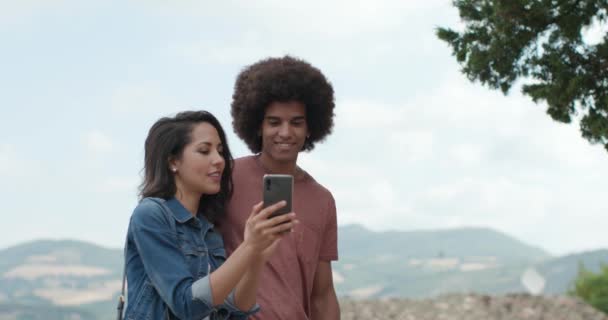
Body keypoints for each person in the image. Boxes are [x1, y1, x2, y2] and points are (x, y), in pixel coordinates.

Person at [123, 110, 298, 320]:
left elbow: (237, 310)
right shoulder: (151, 215)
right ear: (173, 162)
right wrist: (249, 246)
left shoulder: (208, 229)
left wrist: (257, 257)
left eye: (220, 150)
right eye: (205, 151)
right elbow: (186, 304)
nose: (219, 160)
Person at [218, 56, 340, 319]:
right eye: (274, 122)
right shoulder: (224, 177)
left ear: (310, 128)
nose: (285, 132)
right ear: (258, 126)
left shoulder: (323, 200)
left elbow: (323, 293)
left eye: (296, 122)